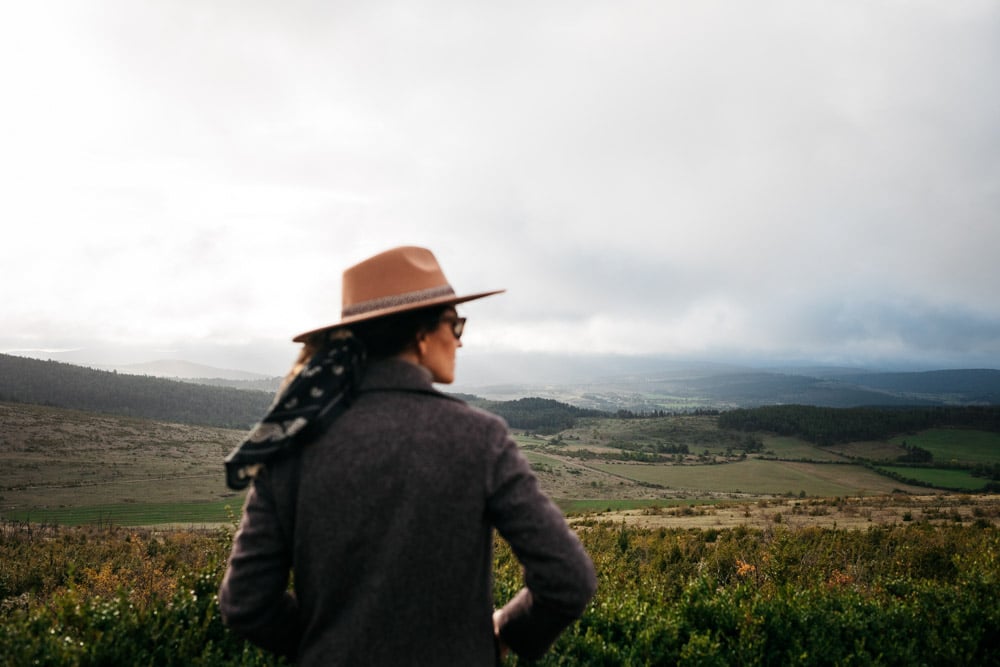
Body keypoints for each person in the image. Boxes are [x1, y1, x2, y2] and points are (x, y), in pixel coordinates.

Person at [219, 246, 597, 665]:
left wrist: (327, 645)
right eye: (455, 324)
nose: (459, 340)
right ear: (421, 336)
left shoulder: (293, 445)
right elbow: (568, 578)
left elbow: (246, 602)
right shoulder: (479, 438)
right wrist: (503, 632)